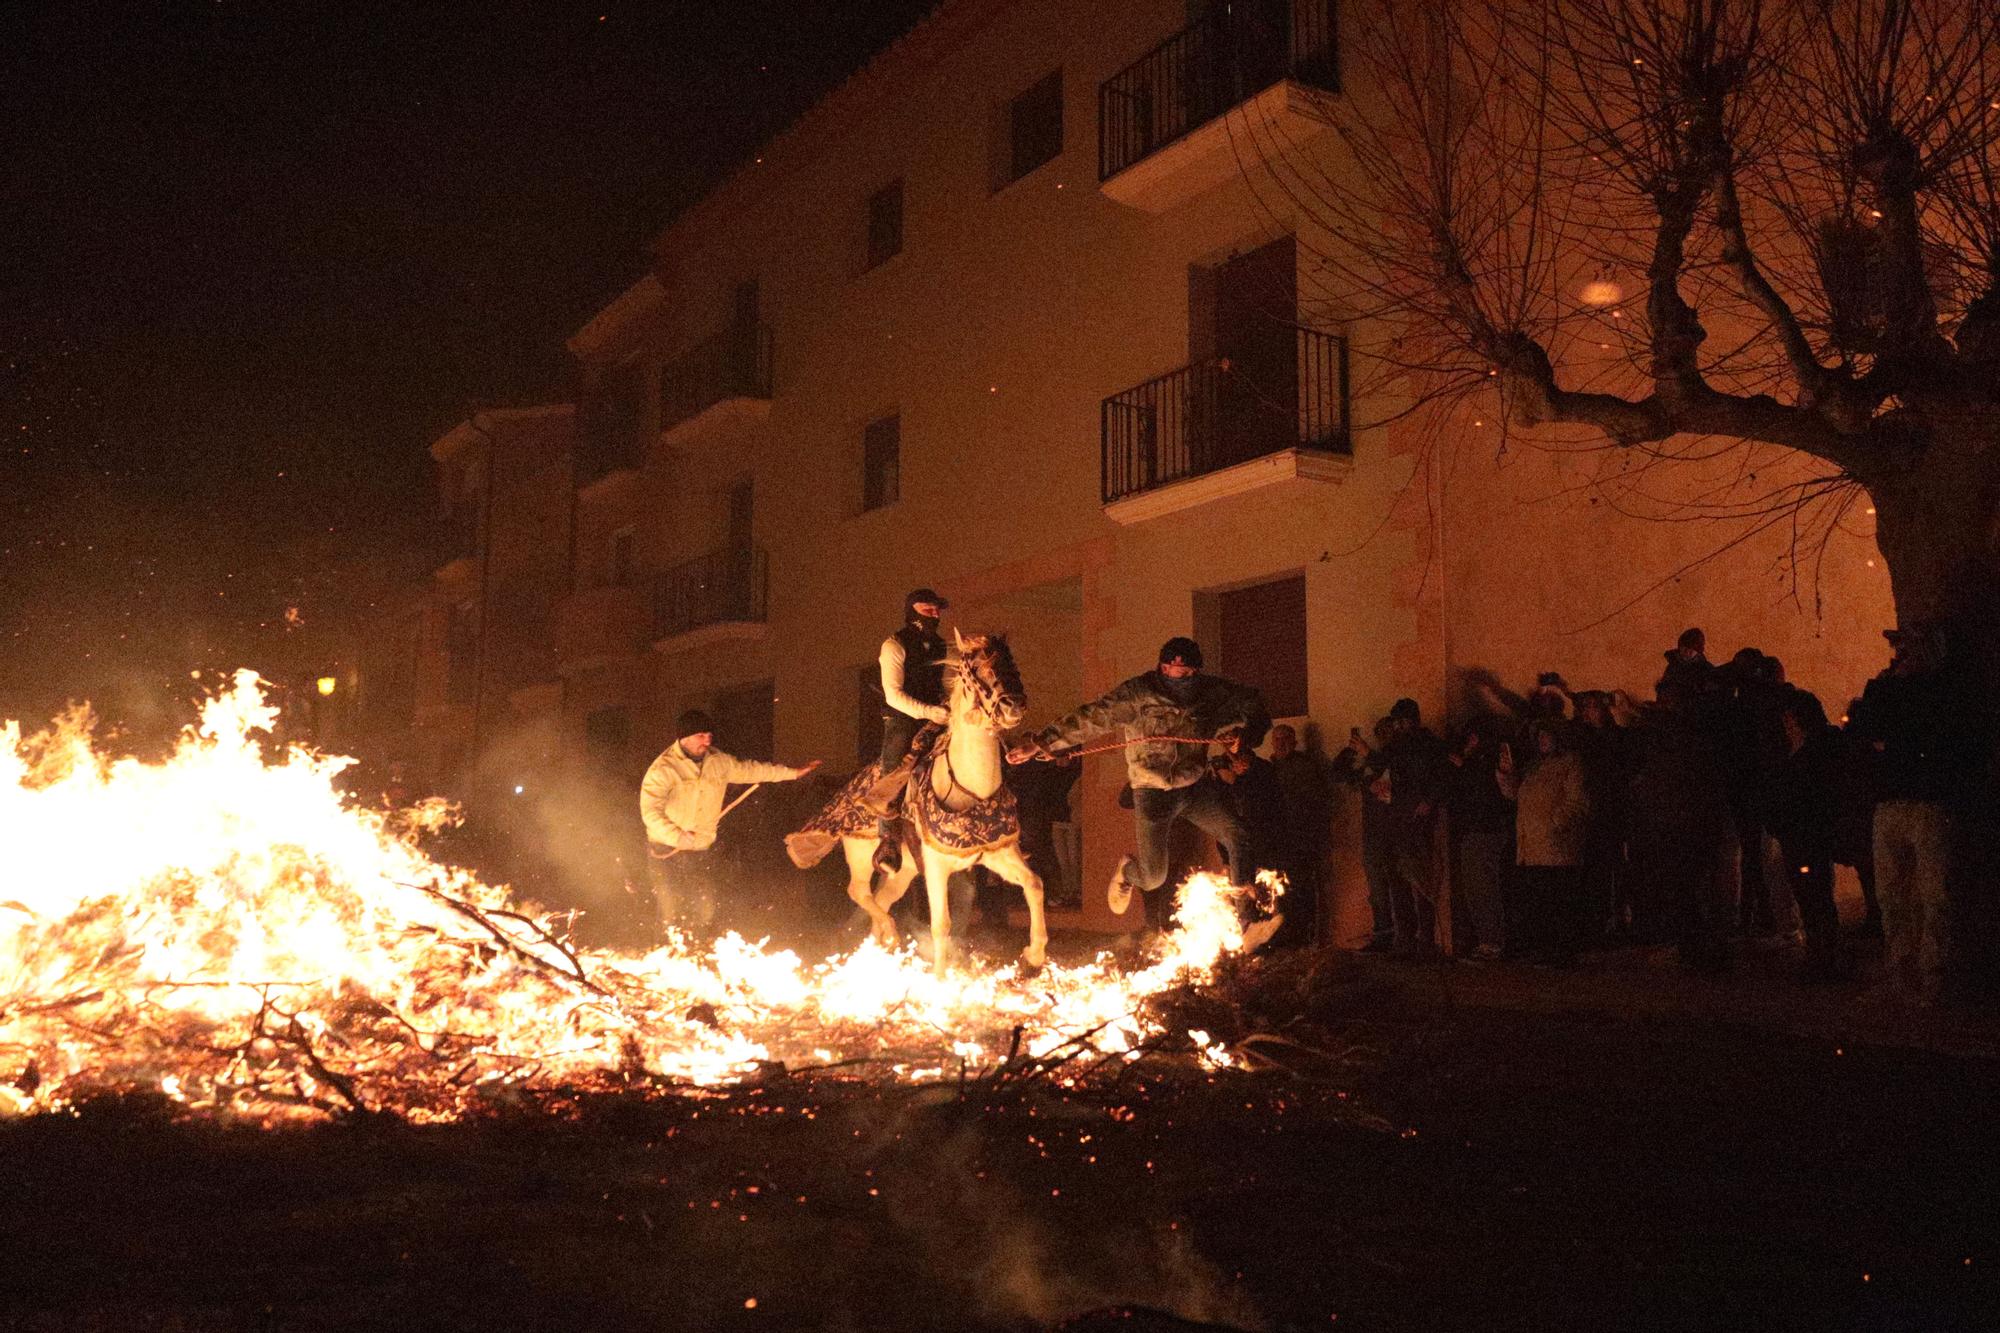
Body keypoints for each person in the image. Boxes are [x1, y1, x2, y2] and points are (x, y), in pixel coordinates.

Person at [1010, 636, 1268, 917]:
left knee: (1238, 835)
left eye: (1189, 673)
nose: (1183, 678)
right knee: (1154, 876)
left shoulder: (1211, 692)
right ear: (1163, 668)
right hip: (1152, 791)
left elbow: (1254, 706)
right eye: (1176, 672)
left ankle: (1245, 921)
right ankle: (1128, 872)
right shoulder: (1138, 694)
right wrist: (1041, 743)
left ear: (1197, 671)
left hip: (1194, 787)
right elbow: (1092, 717)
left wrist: (1243, 738)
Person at [1847, 624, 1973, 1002]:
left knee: (1934, 894)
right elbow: (1863, 729)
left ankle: (1933, 975)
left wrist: (1894, 743)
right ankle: (1902, 972)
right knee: (1891, 894)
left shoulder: (1943, 692)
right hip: (1890, 801)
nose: (1899, 654)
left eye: (1906, 647)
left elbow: (1936, 739)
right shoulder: (1885, 688)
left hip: (1928, 802)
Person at [640, 709, 820, 937]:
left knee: (705, 907)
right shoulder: (663, 770)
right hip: (665, 850)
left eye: (709, 736)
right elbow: (650, 813)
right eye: (701, 736)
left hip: (700, 849)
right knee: (670, 909)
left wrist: (793, 773)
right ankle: (667, 952)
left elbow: (752, 770)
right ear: (684, 737)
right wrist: (676, 835)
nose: (707, 741)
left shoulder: (719, 762)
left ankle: (698, 950)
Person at [1497, 719, 1592, 964]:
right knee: (1538, 901)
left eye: (1546, 735)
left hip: (1556, 848)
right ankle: (1542, 948)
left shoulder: (1570, 764)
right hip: (1532, 846)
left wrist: (1553, 824)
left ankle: (1560, 952)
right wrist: (1507, 776)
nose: (1541, 740)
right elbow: (1516, 795)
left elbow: (1576, 802)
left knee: (1557, 901)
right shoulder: (1533, 767)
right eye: (1538, 736)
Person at [1769, 690, 1846, 981]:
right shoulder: (1798, 751)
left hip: (1807, 837)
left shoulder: (1813, 754)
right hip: (1797, 836)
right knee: (1811, 898)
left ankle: (1824, 957)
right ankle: (1822, 954)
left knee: (1815, 897)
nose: (1786, 723)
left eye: (1789, 717)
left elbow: (1808, 796)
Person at [872, 587, 952, 867]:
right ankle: (888, 839)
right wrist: (928, 711)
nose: (935, 615)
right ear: (912, 611)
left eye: (937, 610)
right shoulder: (894, 645)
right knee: (893, 764)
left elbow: (940, 682)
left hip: (937, 715)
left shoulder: (941, 645)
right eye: (928, 610)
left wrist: (949, 703)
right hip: (903, 716)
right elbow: (893, 693)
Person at [1444, 715, 1514, 959]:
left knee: (1484, 887)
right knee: (1473, 888)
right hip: (1472, 829)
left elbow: (1488, 794)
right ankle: (1484, 938)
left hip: (1487, 830)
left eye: (1474, 736)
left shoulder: (1487, 763)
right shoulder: (1472, 763)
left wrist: (1465, 766)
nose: (1470, 741)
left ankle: (1492, 940)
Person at [1382, 698, 1448, 953]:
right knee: (1398, 878)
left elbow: (1441, 776)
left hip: (1419, 821)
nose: (1399, 726)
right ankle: (1405, 936)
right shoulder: (1396, 748)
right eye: (1397, 721)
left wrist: (1428, 801)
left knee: (1420, 878)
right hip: (1398, 818)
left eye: (1403, 721)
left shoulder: (1429, 745)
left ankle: (1425, 938)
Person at [1333, 718, 1397, 951]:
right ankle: (1383, 933)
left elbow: (1392, 770)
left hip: (1397, 832)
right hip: (1373, 833)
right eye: (1379, 732)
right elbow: (1338, 774)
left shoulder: (1396, 759)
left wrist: (1367, 752)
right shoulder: (1371, 764)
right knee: (1377, 886)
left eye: (1388, 730)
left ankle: (1406, 936)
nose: (1384, 736)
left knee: (1399, 886)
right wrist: (1350, 750)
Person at [1268, 723, 1333, 945]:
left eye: (1286, 739)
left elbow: (1319, 802)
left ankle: (1306, 942)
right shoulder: (1268, 770)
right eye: (1277, 739)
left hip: (1303, 841)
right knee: (1279, 893)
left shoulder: (1305, 767)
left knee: (1303, 893)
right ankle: (1285, 941)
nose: (1281, 743)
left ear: (1295, 743)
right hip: (1278, 842)